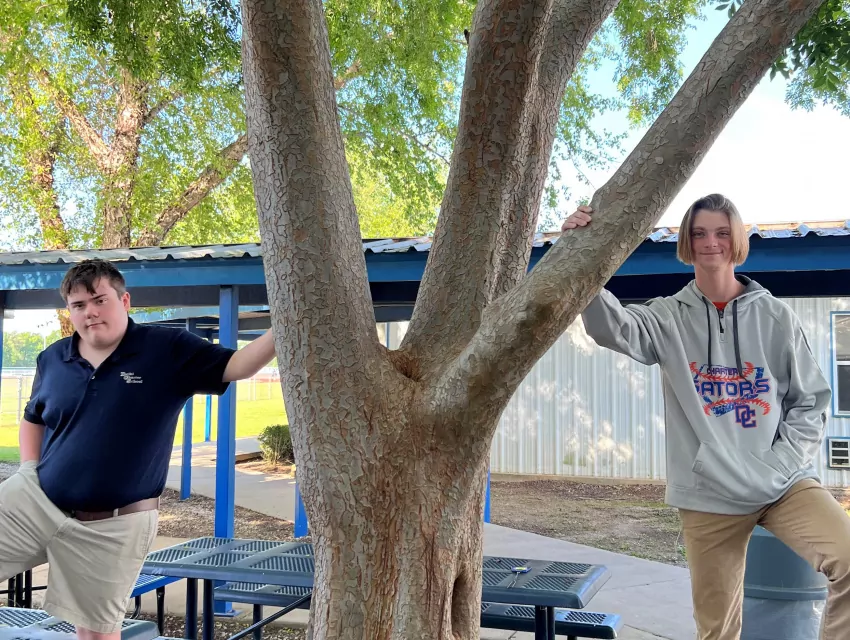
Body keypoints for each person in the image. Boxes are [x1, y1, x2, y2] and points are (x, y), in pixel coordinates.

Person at [561, 194, 850, 640]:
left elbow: (810, 400)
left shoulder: (775, 316)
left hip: (782, 483)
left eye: (720, 232)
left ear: (736, 240)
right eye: (699, 233)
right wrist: (580, 250)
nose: (710, 242)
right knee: (717, 630)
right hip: (708, 491)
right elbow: (611, 327)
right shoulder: (667, 317)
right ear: (687, 242)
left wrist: (780, 462)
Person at [0, 258, 278, 639]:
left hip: (115, 524)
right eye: (78, 305)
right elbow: (33, 418)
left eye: (99, 300)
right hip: (36, 501)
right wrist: (28, 469)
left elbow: (239, 364)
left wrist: (284, 324)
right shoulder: (53, 358)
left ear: (125, 300)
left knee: (96, 634)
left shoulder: (166, 349)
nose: (90, 312)